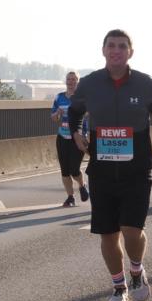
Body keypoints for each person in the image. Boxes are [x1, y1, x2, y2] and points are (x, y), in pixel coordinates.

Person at [67, 29, 152, 301]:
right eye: (111, 46)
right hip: (101, 168)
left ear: (130, 52)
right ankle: (119, 286)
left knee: (131, 229)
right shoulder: (90, 84)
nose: (116, 50)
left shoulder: (144, 83)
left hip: (136, 168)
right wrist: (76, 132)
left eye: (122, 46)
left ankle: (136, 270)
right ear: (103, 50)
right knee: (108, 233)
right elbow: (75, 111)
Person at [50, 71, 90, 207]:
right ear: (65, 81)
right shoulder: (59, 97)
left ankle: (82, 185)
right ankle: (70, 197)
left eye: (74, 79)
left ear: (77, 82)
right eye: (69, 79)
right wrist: (57, 113)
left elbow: (89, 116)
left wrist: (85, 134)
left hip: (78, 137)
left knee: (74, 169)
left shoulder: (83, 98)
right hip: (62, 137)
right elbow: (53, 118)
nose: (71, 82)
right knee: (64, 170)